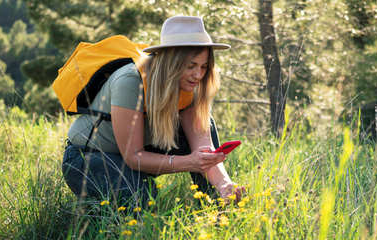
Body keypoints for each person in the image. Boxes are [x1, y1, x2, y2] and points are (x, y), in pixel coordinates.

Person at [61, 16, 245, 207]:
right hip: (88, 158)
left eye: (203, 67)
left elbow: (203, 147)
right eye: (191, 66)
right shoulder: (130, 81)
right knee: (143, 200)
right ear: (170, 62)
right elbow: (133, 157)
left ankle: (217, 207)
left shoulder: (191, 85)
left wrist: (224, 183)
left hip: (136, 154)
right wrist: (188, 162)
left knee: (208, 123)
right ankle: (91, 212)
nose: (198, 75)